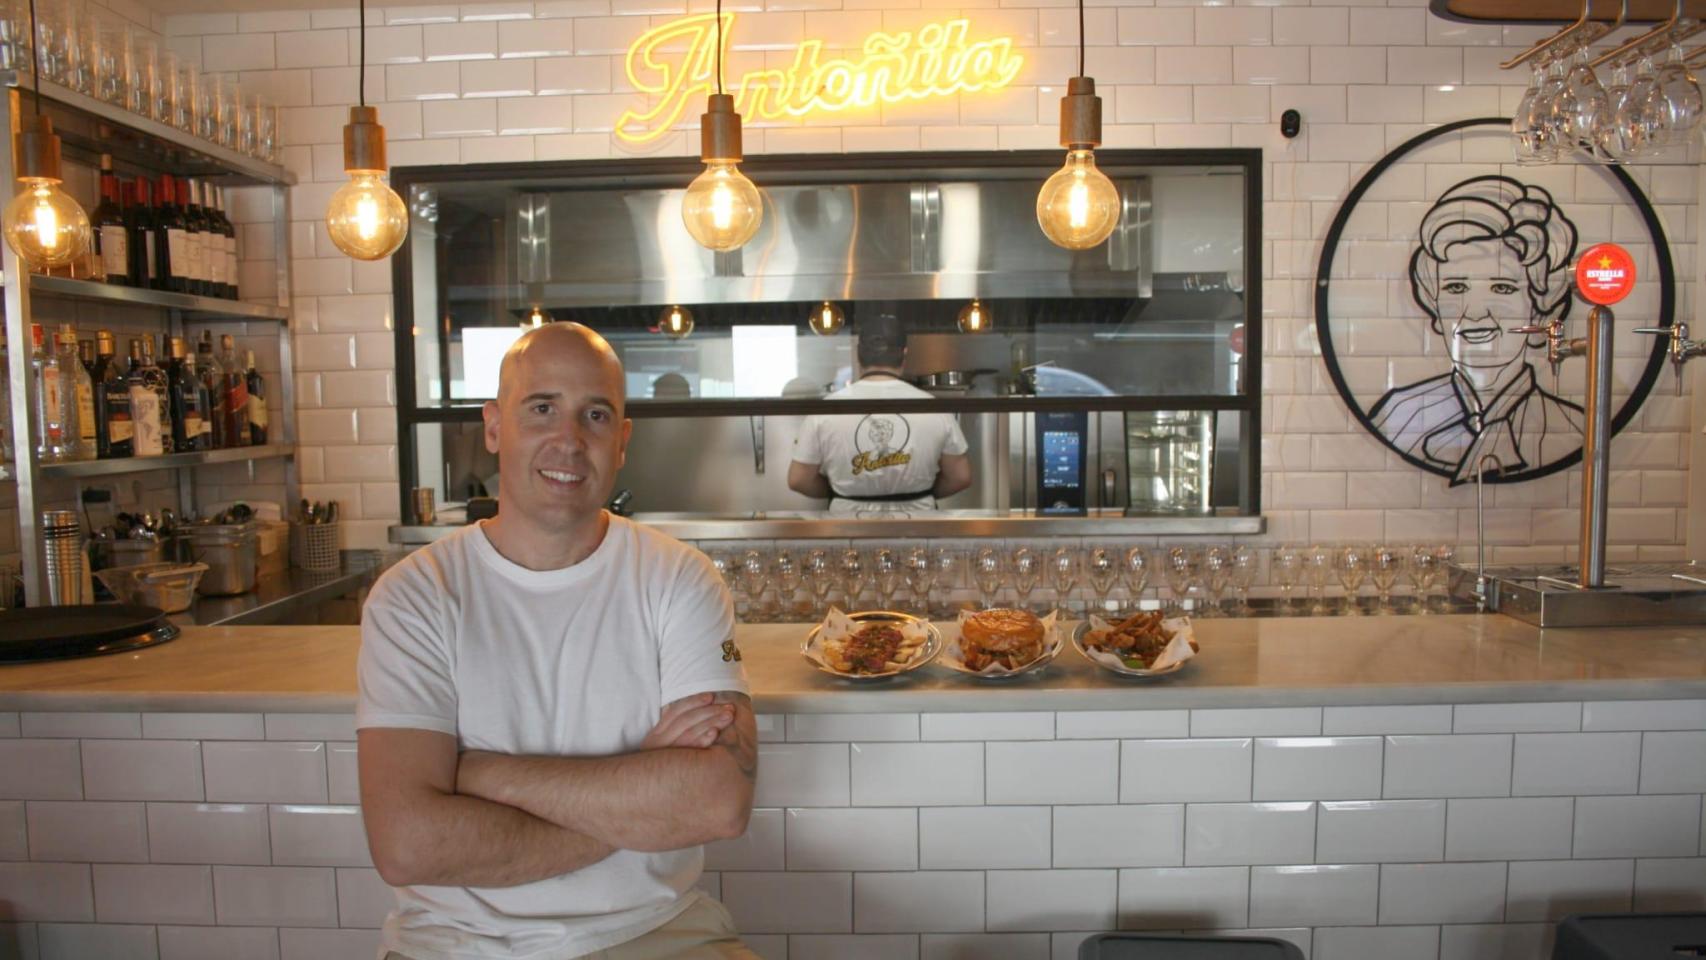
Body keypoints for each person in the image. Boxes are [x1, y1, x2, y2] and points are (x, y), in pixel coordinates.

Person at [357, 321, 759, 960]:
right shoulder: (415, 596)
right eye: (541, 408)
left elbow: (718, 802)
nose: (569, 440)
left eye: (595, 415)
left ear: (621, 441)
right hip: (457, 946)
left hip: (656, 930)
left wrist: (481, 776)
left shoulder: (680, 578)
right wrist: (635, 800)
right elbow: (408, 845)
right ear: (494, 426)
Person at [1369, 176, 1584, 484]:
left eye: (1502, 287)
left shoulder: (1574, 429)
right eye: (1456, 287)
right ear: (1434, 303)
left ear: (1539, 305)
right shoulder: (1399, 414)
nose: (1475, 312)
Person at [787, 314, 973, 513]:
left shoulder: (824, 411)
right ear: (904, 353)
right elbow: (960, 477)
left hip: (847, 526)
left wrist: (841, 492)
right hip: (919, 525)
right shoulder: (934, 409)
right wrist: (921, 493)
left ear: (859, 354)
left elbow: (799, 479)